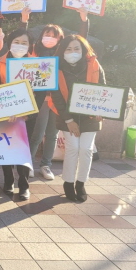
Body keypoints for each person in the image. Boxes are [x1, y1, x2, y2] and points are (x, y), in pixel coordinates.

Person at [20, 6, 90, 180]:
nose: (49, 38)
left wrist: (83, 20)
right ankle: (27, 163)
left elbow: (81, 41)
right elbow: (21, 39)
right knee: (37, 133)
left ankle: (46, 165)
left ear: (60, 39)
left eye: (53, 35)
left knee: (52, 134)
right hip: (41, 100)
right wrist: (24, 19)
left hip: (59, 100)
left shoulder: (62, 55)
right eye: (47, 34)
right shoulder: (34, 52)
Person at [49, 34, 105, 203]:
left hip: (90, 115)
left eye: (76, 48)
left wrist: (101, 108)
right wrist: (68, 120)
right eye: (68, 49)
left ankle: (81, 183)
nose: (73, 52)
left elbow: (103, 88)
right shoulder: (56, 68)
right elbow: (56, 96)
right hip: (67, 116)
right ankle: (68, 182)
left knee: (87, 149)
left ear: (83, 50)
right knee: (72, 148)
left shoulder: (94, 64)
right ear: (62, 51)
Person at [0, 28, 36, 200]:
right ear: (9, 43)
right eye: (16, 42)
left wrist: (27, 114)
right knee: (6, 146)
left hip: (27, 115)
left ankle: (24, 185)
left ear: (30, 46)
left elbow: (39, 92)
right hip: (5, 113)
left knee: (23, 149)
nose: (20, 46)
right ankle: (8, 180)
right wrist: (6, 111)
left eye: (24, 43)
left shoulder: (37, 64)